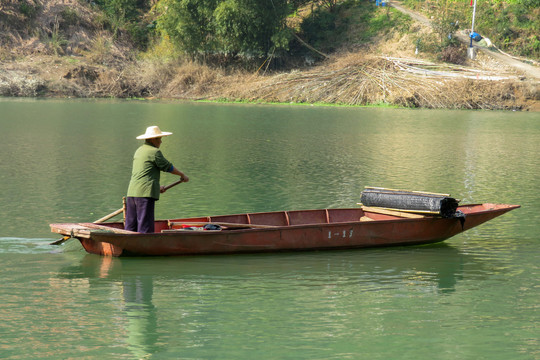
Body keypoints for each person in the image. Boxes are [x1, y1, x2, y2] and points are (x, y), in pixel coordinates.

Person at [125, 126, 189, 233]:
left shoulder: (139, 151)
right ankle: (143, 247)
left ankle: (128, 246)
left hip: (132, 193)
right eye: (159, 139)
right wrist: (182, 175)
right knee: (145, 228)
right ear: (152, 139)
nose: (161, 141)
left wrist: (156, 188)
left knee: (130, 227)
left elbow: (144, 174)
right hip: (145, 195)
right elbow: (168, 167)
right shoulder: (154, 152)